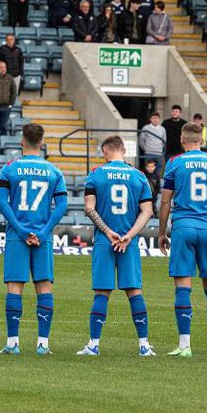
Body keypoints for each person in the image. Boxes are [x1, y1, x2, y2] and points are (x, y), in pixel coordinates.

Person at [76, 135, 155, 356]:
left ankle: (93, 345)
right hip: (129, 242)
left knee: (102, 292)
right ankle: (144, 345)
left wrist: (108, 232)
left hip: (104, 240)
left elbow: (89, 208)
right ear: (123, 150)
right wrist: (128, 236)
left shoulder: (96, 175)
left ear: (105, 150)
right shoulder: (139, 176)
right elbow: (147, 211)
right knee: (135, 291)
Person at [157, 124, 207, 357]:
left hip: (183, 226)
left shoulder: (174, 163)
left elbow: (166, 201)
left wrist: (161, 232)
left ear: (182, 139)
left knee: (182, 286)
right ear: (202, 140)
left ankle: (185, 345)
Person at [0, 123, 69, 355]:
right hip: (43, 236)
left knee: (15, 287)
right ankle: (42, 344)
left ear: (22, 141)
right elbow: (62, 205)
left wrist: (19, 229)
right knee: (44, 286)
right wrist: (44, 231)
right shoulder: (53, 171)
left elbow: (1, 202)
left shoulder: (9, 169)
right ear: (42, 142)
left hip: (17, 237)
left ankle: (13, 343)